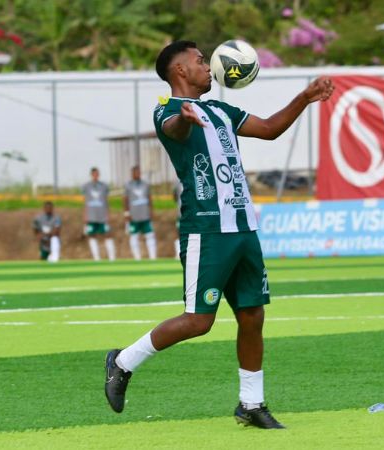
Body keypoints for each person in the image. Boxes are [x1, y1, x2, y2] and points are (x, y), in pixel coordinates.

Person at [104, 40, 334, 429]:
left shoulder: (223, 110)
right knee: (198, 321)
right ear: (180, 71)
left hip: (244, 227)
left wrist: (305, 97)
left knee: (252, 314)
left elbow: (270, 129)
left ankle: (251, 403)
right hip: (208, 230)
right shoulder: (169, 109)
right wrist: (185, 119)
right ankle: (123, 362)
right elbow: (174, 131)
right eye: (199, 61)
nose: (207, 66)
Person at [124, 165, 156, 260]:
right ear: (132, 173)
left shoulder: (145, 184)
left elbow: (149, 198)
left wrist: (151, 211)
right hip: (134, 216)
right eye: (136, 172)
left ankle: (153, 257)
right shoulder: (128, 185)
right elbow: (125, 200)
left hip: (145, 214)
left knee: (150, 235)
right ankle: (137, 258)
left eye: (139, 172)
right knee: (134, 236)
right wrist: (126, 213)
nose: (138, 174)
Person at [83, 167, 115, 261]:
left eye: (97, 174)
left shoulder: (104, 186)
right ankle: (97, 258)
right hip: (91, 216)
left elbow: (106, 201)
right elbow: (85, 202)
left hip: (102, 216)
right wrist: (85, 217)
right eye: (94, 174)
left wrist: (108, 214)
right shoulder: (86, 187)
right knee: (92, 235)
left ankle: (112, 258)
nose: (95, 176)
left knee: (107, 234)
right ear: (91, 175)